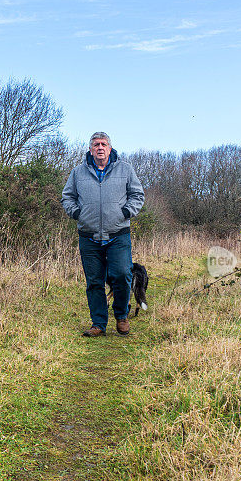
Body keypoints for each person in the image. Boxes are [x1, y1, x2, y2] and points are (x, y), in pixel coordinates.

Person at [61, 132, 145, 336]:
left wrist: (125, 212)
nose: (100, 147)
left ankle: (122, 316)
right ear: (90, 149)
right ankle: (98, 324)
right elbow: (67, 197)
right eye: (96, 144)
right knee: (94, 281)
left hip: (118, 234)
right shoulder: (78, 172)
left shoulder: (125, 169)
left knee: (122, 275)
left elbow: (137, 195)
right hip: (88, 236)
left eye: (104, 144)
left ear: (110, 148)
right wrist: (78, 214)